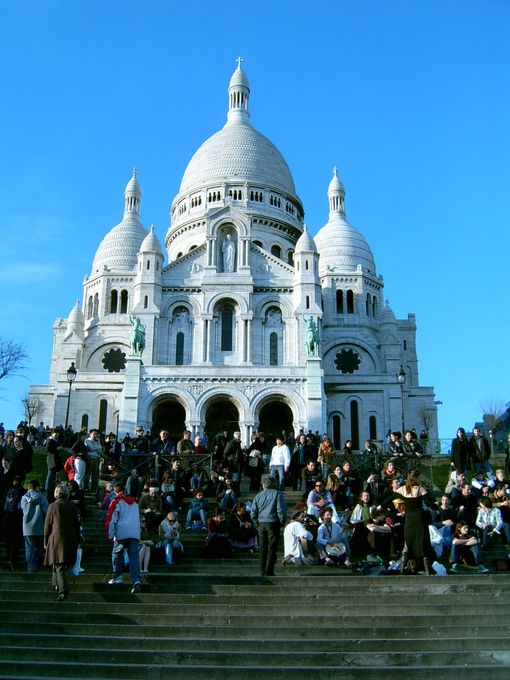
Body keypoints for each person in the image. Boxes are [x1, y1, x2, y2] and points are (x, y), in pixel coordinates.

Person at [44, 483, 81, 601]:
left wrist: (45, 541)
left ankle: (62, 589)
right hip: (70, 538)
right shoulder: (72, 506)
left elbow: (47, 526)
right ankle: (56, 584)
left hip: (56, 538)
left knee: (58, 563)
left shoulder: (52, 506)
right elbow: (77, 525)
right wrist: (78, 539)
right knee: (59, 563)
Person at [395, 470, 437, 575]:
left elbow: (390, 498)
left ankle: (401, 567)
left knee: (408, 543)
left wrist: (380, 506)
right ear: (416, 478)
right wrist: (436, 506)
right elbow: (429, 503)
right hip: (419, 519)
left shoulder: (403, 489)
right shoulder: (420, 489)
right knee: (423, 543)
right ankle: (427, 570)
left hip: (409, 519)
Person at [105, 482, 142, 593]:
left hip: (121, 533)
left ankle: (117, 576)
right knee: (134, 557)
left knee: (116, 554)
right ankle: (136, 580)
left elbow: (110, 520)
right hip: (134, 533)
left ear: (115, 492)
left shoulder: (116, 502)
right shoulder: (135, 503)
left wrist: (110, 535)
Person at [250, 475, 287, 576]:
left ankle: (262, 570)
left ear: (263, 484)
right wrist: (281, 522)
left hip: (261, 523)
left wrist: (256, 524)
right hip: (273, 522)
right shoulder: (277, 494)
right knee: (272, 548)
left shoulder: (258, 496)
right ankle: (269, 570)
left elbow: (253, 512)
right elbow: (281, 511)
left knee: (262, 548)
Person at [21, 479, 49, 573]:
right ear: (37, 487)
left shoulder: (24, 497)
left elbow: (22, 509)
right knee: (41, 546)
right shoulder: (41, 497)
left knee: (29, 548)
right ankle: (42, 565)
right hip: (40, 526)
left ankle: (31, 568)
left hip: (27, 527)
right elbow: (47, 511)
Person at [84, 429, 103, 494]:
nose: (95, 435)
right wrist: (96, 449)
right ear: (90, 434)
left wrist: (96, 449)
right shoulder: (87, 441)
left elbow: (100, 448)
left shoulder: (98, 441)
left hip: (97, 458)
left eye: (96, 434)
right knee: (88, 473)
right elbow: (90, 448)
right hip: (90, 458)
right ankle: (86, 488)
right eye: (94, 434)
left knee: (95, 474)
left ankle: (93, 488)